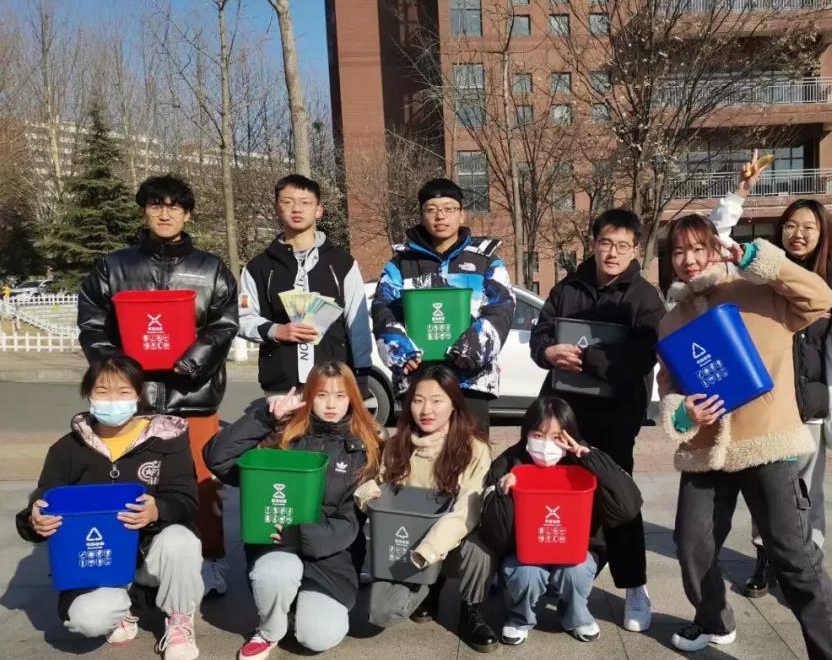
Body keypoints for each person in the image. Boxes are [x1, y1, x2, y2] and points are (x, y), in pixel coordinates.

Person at [658, 173, 832, 660]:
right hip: (707, 451)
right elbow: (668, 386)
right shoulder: (672, 317)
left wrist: (756, 258)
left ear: (715, 247)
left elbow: (820, 298)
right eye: (678, 252)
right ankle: (714, 620)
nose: (688, 260)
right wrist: (683, 414)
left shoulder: (759, 288)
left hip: (769, 442)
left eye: (698, 248)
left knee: (794, 559)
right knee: (691, 545)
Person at [77, 174, 238, 598]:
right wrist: (120, 370)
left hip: (194, 396)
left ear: (188, 214)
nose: (165, 214)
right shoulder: (114, 267)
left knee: (202, 482)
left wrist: (192, 361)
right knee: (132, 482)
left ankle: (211, 559)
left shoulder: (210, 269)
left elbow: (224, 324)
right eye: (155, 206)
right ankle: (134, 561)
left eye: (174, 207)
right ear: (144, 211)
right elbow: (92, 322)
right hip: (136, 400)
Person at [15, 355, 203, 660]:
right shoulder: (67, 449)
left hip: (150, 552)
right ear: (88, 394)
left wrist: (158, 509)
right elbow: (42, 501)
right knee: (86, 620)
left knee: (181, 541)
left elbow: (186, 499)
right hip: (98, 559)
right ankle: (122, 610)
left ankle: (179, 618)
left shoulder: (167, 440)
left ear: (138, 395)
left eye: (123, 391)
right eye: (102, 391)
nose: (112, 400)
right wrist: (35, 521)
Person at [528, 208, 664, 633]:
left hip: (617, 414)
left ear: (635, 250)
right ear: (593, 243)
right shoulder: (569, 287)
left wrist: (589, 359)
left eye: (623, 246)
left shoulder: (644, 297)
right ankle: (554, 571)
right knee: (557, 490)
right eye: (606, 243)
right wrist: (548, 352)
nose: (613, 253)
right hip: (566, 410)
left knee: (619, 497)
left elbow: (644, 354)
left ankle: (635, 586)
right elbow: (540, 334)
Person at [204, 361, 382, 660]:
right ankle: (269, 629)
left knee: (318, 636)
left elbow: (349, 523)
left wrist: (301, 534)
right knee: (276, 572)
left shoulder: (365, 448)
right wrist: (264, 418)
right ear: (308, 396)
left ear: (352, 399)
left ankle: (299, 604)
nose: (331, 404)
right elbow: (219, 459)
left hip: (330, 559)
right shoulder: (284, 436)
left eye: (340, 396)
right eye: (321, 395)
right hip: (277, 546)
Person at [740, 199, 832, 597]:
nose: (799, 234)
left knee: (808, 488)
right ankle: (765, 555)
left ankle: (809, 556)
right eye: (791, 225)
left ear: (823, 234)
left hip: (809, 405)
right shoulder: (763, 278)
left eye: (809, 227)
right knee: (765, 486)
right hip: (769, 402)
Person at [354, 364, 498, 651]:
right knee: (382, 612)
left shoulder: (474, 449)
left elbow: (468, 510)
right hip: (406, 543)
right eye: (418, 400)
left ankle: (472, 609)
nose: (426, 410)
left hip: (445, 546)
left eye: (437, 400)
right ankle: (430, 590)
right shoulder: (397, 446)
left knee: (479, 547)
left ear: (454, 405)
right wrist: (368, 497)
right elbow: (376, 485)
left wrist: (430, 550)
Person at [478, 397, 643, 645]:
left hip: (576, 549)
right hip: (524, 552)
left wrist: (591, 459)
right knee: (525, 574)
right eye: (538, 435)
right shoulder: (509, 462)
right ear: (526, 433)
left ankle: (575, 616)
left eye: (557, 437)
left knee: (575, 571)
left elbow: (627, 508)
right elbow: (494, 534)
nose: (546, 445)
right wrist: (503, 494)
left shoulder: (585, 460)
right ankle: (520, 617)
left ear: (570, 436)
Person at [370, 178, 515, 435]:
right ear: (422, 215)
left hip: (471, 381)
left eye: (449, 209)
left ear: (461, 214)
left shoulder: (486, 261)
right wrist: (400, 352)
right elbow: (383, 309)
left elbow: (501, 307)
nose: (440, 216)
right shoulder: (401, 264)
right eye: (432, 209)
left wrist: (473, 349)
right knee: (419, 455)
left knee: (470, 454)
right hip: (418, 382)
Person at [237, 173, 373, 399]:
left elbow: (357, 323)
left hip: (334, 384)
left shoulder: (342, 263)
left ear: (319, 210)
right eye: (288, 202)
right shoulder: (258, 267)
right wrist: (277, 331)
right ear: (277, 209)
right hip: (282, 387)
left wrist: (361, 375)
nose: (297, 209)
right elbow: (242, 317)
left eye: (305, 202)